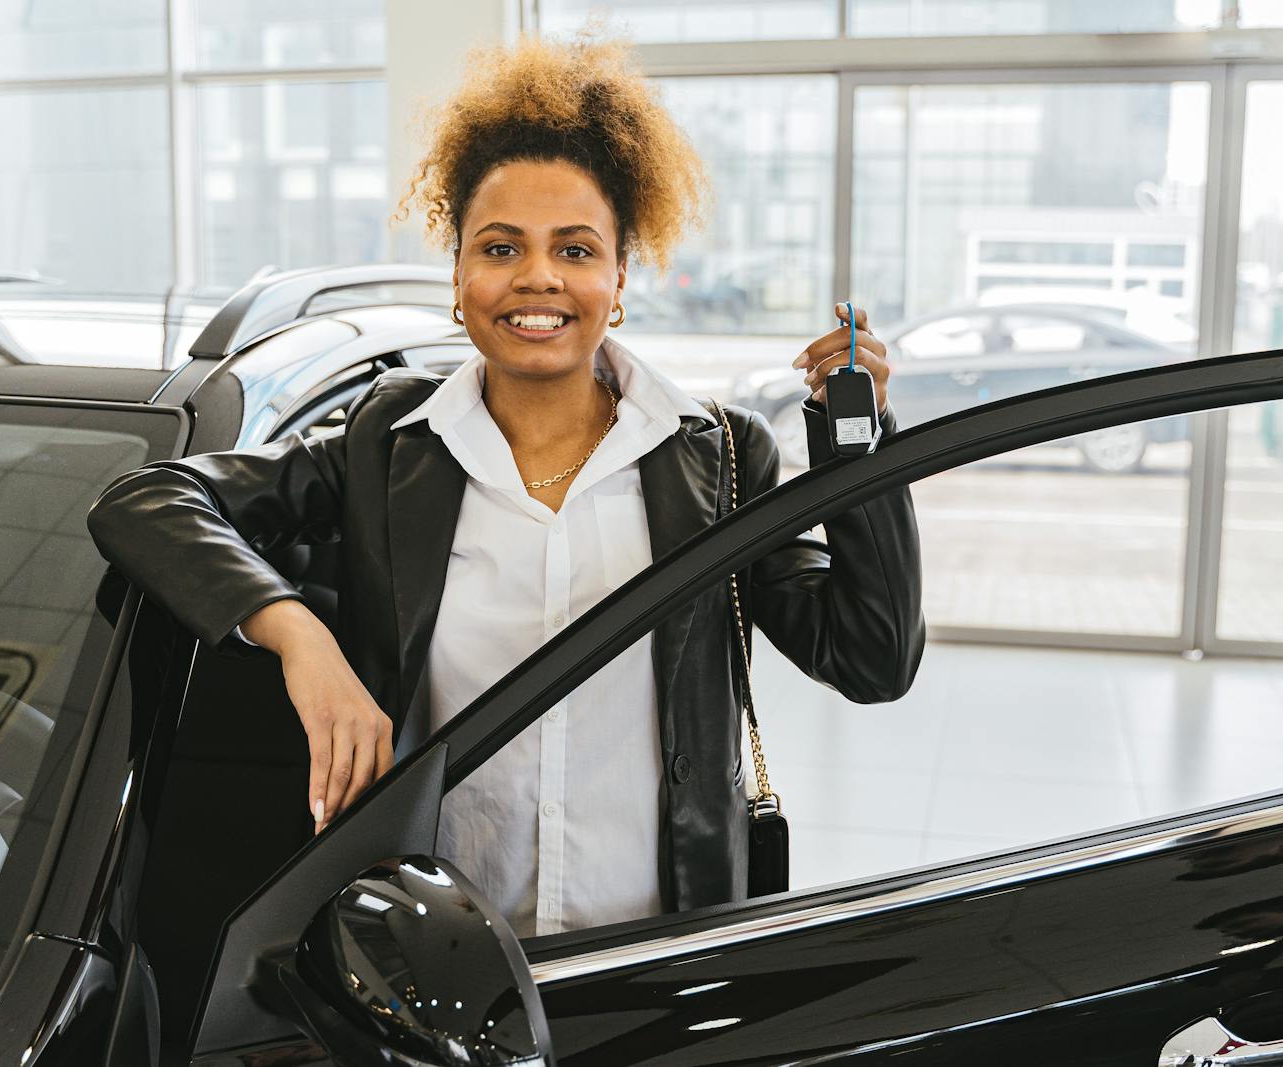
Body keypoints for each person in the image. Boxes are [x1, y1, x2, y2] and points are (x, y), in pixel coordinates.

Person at [87, 34, 924, 938]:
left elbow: (871, 657)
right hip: (439, 964)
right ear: (458, 275)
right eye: (500, 247)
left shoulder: (716, 458)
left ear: (618, 278)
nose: (537, 278)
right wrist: (301, 642)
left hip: (648, 956)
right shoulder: (388, 446)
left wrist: (858, 448)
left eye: (574, 248)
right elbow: (147, 502)